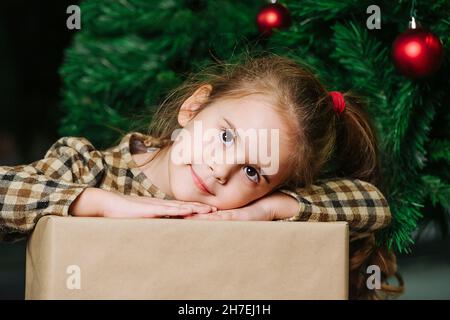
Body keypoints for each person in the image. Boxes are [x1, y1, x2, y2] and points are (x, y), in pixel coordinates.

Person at [0, 53, 402, 299]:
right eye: (225, 135)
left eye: (252, 170)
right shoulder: (89, 167)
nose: (220, 169)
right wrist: (102, 202)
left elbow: (373, 204)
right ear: (193, 108)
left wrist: (270, 210)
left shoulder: (247, 208)